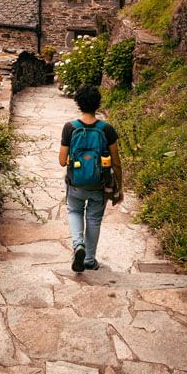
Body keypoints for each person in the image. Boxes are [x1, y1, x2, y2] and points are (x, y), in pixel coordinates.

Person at [58, 84, 123, 272]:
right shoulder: (107, 129)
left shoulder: (70, 128)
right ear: (98, 103)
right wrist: (119, 187)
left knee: (74, 211)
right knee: (94, 219)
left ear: (78, 102)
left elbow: (62, 161)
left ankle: (78, 244)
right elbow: (116, 163)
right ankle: (89, 260)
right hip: (99, 185)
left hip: (76, 184)